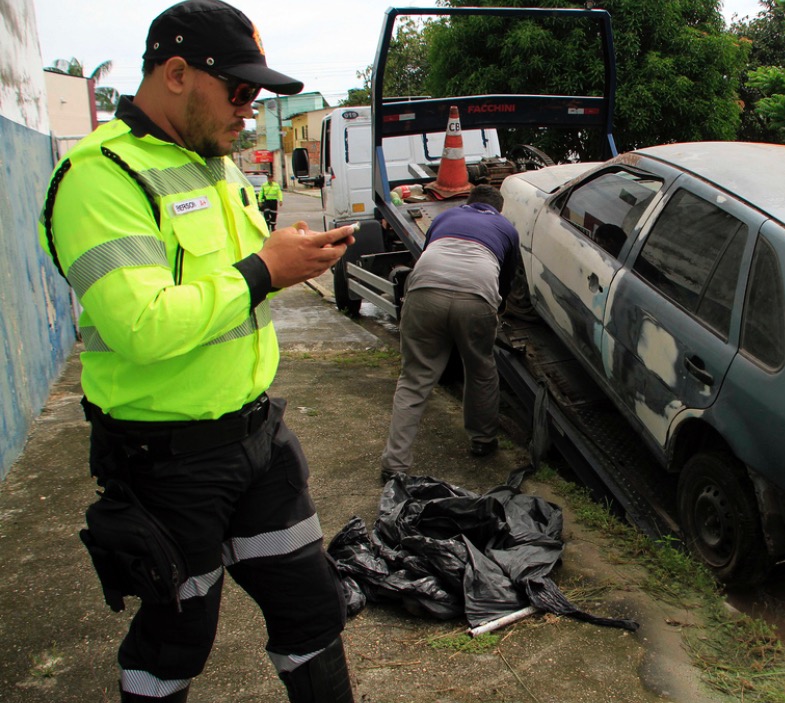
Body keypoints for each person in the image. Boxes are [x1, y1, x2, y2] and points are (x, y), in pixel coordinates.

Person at [37, 2, 357, 701]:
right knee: (177, 638)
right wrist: (264, 272)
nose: (249, 111)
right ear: (177, 73)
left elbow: (234, 286)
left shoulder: (217, 168)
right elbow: (141, 324)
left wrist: (289, 260)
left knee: (314, 607)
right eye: (239, 91)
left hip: (258, 440)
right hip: (169, 462)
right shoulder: (102, 176)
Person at [380, 184, 519, 481]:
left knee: (415, 379)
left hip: (425, 292)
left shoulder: (446, 218)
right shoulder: (505, 227)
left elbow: (424, 252)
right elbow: (506, 281)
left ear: (468, 202)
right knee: (480, 369)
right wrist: (498, 310)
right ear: (498, 209)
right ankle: (483, 440)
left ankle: (395, 464)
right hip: (477, 297)